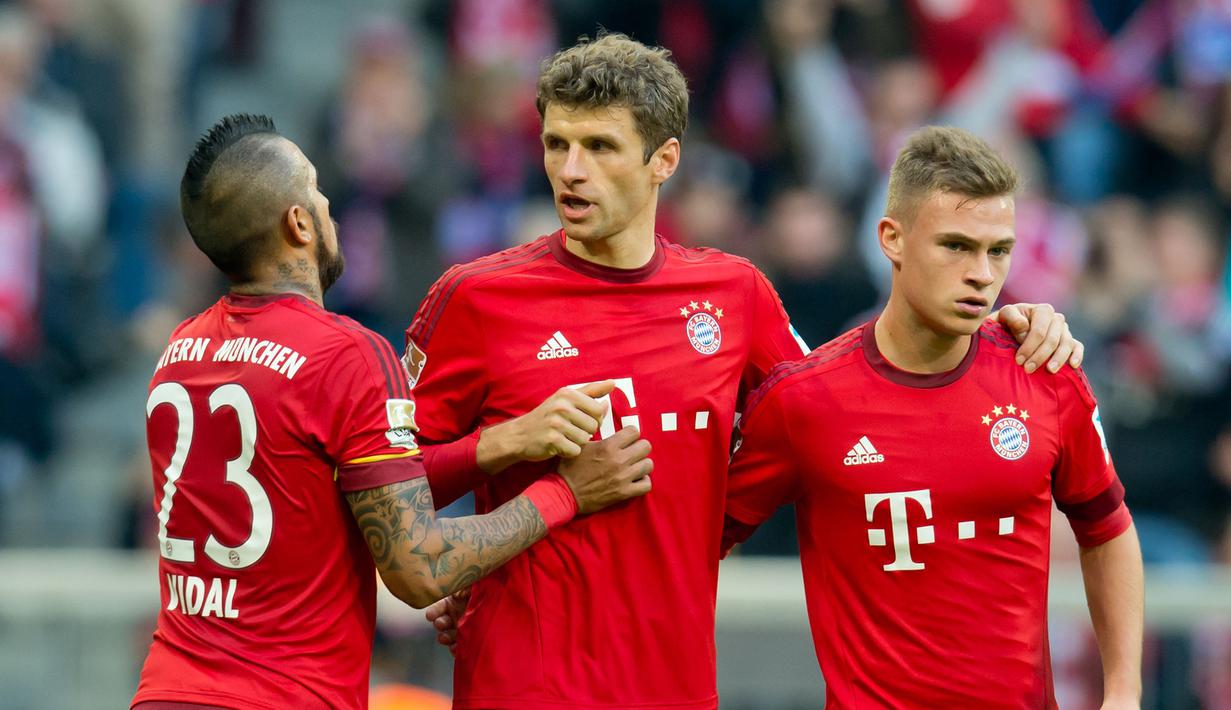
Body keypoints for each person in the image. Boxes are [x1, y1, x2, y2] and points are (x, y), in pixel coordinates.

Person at [414, 35, 1083, 710]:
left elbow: (848, 408)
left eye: (599, 146)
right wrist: (505, 447)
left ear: (663, 160)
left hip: (673, 690)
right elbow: (386, 489)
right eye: (556, 144)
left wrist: (989, 332)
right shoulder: (476, 297)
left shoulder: (735, 297)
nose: (570, 170)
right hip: (522, 684)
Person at [131, 114, 652, 710]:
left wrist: (499, 444)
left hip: (165, 693)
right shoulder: (346, 353)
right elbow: (419, 570)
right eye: (317, 191)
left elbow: (335, 490)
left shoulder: (179, 352)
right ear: (298, 223)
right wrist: (568, 493)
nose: (329, 206)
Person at [722, 126, 1144, 707]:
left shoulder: (1045, 371)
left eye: (998, 251)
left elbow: (1107, 527)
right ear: (892, 239)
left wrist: (1124, 692)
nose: (983, 274)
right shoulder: (805, 401)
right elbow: (692, 539)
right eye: (956, 246)